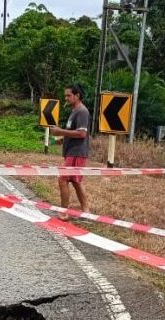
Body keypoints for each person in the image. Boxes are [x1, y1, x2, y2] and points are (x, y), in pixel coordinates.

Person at [48, 84, 90, 221]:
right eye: (65, 95)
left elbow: (82, 133)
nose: (66, 98)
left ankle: (64, 212)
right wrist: (61, 137)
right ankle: (86, 211)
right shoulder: (74, 111)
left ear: (77, 95)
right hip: (72, 151)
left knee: (63, 180)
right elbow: (73, 132)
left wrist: (61, 131)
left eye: (68, 95)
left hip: (76, 152)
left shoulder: (82, 111)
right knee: (75, 181)